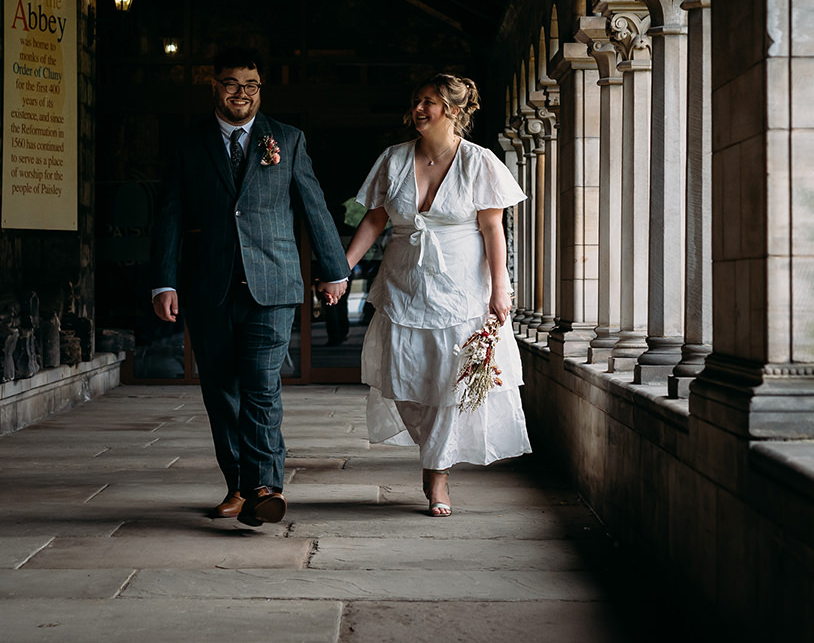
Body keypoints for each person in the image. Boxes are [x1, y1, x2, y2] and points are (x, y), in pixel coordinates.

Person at [151, 47, 351, 526]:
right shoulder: (189, 144)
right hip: (208, 287)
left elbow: (313, 206)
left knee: (261, 385)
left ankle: (264, 486)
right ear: (214, 86)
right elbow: (171, 216)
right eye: (231, 84)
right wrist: (163, 282)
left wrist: (334, 270)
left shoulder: (287, 139)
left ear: (260, 90)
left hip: (273, 284)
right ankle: (238, 487)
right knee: (222, 391)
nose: (241, 93)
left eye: (251, 85)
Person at [328, 74, 531, 515]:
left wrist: (501, 288)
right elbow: (375, 220)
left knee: (447, 383)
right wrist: (340, 269)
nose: (419, 109)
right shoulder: (394, 159)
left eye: (429, 102)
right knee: (403, 382)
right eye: (417, 100)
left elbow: (493, 228)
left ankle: (438, 475)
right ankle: (432, 452)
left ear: (454, 111)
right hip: (403, 283)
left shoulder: (479, 162)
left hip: (461, 289)